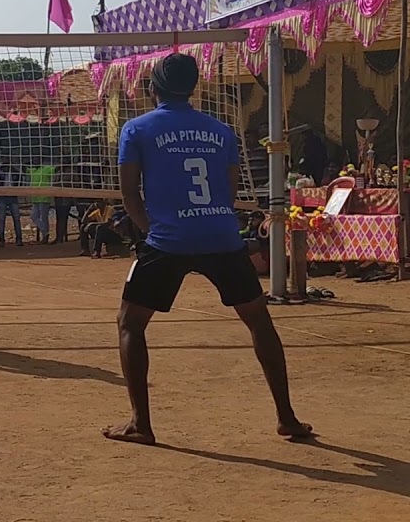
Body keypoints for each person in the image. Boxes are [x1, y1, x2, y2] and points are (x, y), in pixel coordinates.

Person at [104, 52, 312, 446]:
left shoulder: (137, 129)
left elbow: (129, 193)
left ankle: (140, 423)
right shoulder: (221, 131)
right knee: (259, 321)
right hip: (220, 234)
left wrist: (152, 232)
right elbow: (229, 191)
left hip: (168, 239)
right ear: (193, 88)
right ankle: (287, 417)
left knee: (130, 323)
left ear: (153, 88)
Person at [27, 161, 55, 244]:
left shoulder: (47, 169)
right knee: (34, 216)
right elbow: (23, 169)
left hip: (44, 197)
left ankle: (45, 236)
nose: (35, 162)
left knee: (44, 217)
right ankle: (45, 232)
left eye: (37, 159)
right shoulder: (32, 170)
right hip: (35, 198)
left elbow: (57, 169)